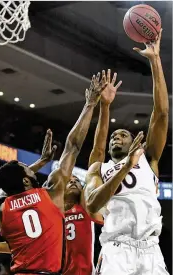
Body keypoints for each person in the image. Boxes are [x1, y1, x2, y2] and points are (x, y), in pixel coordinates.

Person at [0, 70, 123, 275]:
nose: (34, 169)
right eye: (29, 169)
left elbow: (2, 192)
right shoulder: (50, 196)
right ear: (26, 181)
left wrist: (33, 167)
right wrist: (90, 104)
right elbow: (73, 146)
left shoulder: (3, 208)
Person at [85, 29, 170, 275]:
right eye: (113, 135)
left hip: (151, 248)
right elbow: (92, 204)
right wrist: (104, 106)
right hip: (117, 249)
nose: (115, 136)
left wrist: (155, 61)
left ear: (135, 143)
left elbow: (162, 114)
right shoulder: (99, 168)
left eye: (122, 134)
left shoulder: (148, 159)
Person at [63, 70, 122, 275]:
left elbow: (96, 151)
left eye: (76, 182)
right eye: (69, 181)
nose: (73, 182)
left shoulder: (86, 207)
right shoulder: (53, 210)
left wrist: (103, 107)